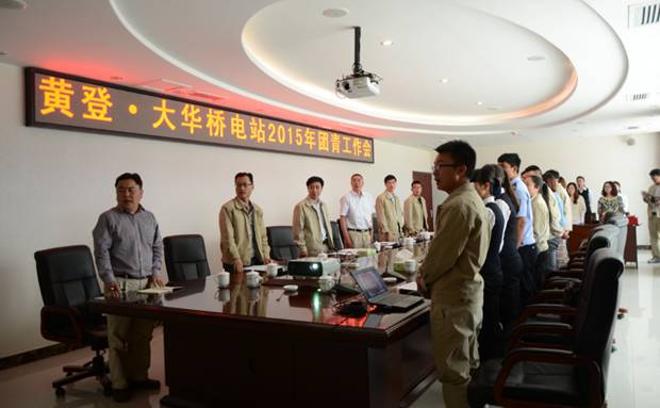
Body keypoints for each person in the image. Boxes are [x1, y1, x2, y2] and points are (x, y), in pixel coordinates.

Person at [417, 140, 490, 408]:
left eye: (440, 166)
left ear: (461, 170)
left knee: (454, 373)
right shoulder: (471, 199)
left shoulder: (459, 205)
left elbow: (441, 257)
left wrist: (423, 277)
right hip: (467, 294)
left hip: (454, 301)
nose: (435, 173)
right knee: (467, 364)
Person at [92, 173, 163, 402]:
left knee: (142, 335)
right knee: (118, 337)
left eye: (131, 189)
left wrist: (156, 272)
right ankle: (119, 383)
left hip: (147, 284)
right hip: (120, 284)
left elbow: (157, 247)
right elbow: (101, 252)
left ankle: (139, 376)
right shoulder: (108, 218)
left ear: (141, 192)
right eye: (121, 190)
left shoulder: (149, 218)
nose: (126, 194)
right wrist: (108, 279)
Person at [472, 165, 505, 361]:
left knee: (488, 319)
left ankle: (490, 361)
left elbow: (479, 248)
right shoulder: (494, 209)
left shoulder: (488, 212)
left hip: (488, 272)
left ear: (485, 186)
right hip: (493, 269)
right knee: (490, 317)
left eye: (474, 186)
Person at [498, 153, 537, 303]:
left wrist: (515, 246)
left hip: (523, 245)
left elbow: (521, 220)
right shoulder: (510, 187)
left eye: (503, 166)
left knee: (524, 289)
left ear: (514, 168)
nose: (500, 170)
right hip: (520, 244)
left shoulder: (518, 188)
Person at [219, 172, 271, 272]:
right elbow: (227, 239)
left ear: (252, 187)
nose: (242, 188)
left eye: (245, 185)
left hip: (257, 261)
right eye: (238, 185)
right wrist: (236, 258)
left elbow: (263, 237)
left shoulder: (257, 210)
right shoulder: (228, 209)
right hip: (237, 262)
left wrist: (266, 255)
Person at [493, 166, 523, 329]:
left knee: (508, 309)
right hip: (510, 257)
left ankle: (509, 341)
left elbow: (499, 241)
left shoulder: (501, 202)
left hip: (506, 259)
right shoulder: (506, 198)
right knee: (509, 306)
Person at [292, 176, 334, 257]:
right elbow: (298, 230)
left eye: (317, 187)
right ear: (308, 189)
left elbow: (327, 226)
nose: (314, 190)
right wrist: (303, 249)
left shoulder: (323, 205)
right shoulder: (301, 206)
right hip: (311, 249)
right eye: (311, 187)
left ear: (321, 188)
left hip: (326, 246)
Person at [542, 170, 572, 267]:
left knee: (559, 262)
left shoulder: (557, 192)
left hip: (559, 231)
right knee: (556, 263)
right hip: (557, 231)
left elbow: (565, 212)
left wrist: (565, 230)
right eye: (556, 180)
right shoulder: (549, 193)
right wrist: (563, 231)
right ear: (549, 180)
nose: (557, 183)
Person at [525, 175, 551, 288]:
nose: (525, 187)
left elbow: (538, 231)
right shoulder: (534, 201)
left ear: (536, 187)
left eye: (528, 185)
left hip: (538, 249)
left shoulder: (537, 204)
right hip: (537, 248)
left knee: (535, 284)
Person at [339, 173, 375, 248]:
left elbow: (372, 216)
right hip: (353, 234)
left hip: (367, 234)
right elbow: (342, 218)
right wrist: (347, 239)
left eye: (359, 180)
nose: (356, 183)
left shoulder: (368, 197)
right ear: (351, 183)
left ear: (363, 183)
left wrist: (372, 234)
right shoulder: (346, 197)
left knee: (369, 255)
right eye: (354, 180)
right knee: (355, 255)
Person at [375, 174, 404, 242]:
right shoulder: (381, 198)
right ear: (385, 184)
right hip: (387, 233)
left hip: (398, 231)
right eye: (389, 183)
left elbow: (399, 214)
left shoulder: (396, 198)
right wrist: (386, 232)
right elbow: (381, 217)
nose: (392, 185)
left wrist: (401, 227)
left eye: (393, 182)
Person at [642, 168, 660, 263]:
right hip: (652, 214)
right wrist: (646, 198)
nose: (653, 180)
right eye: (652, 178)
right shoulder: (651, 187)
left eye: (655, 178)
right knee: (653, 236)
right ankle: (656, 256)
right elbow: (650, 201)